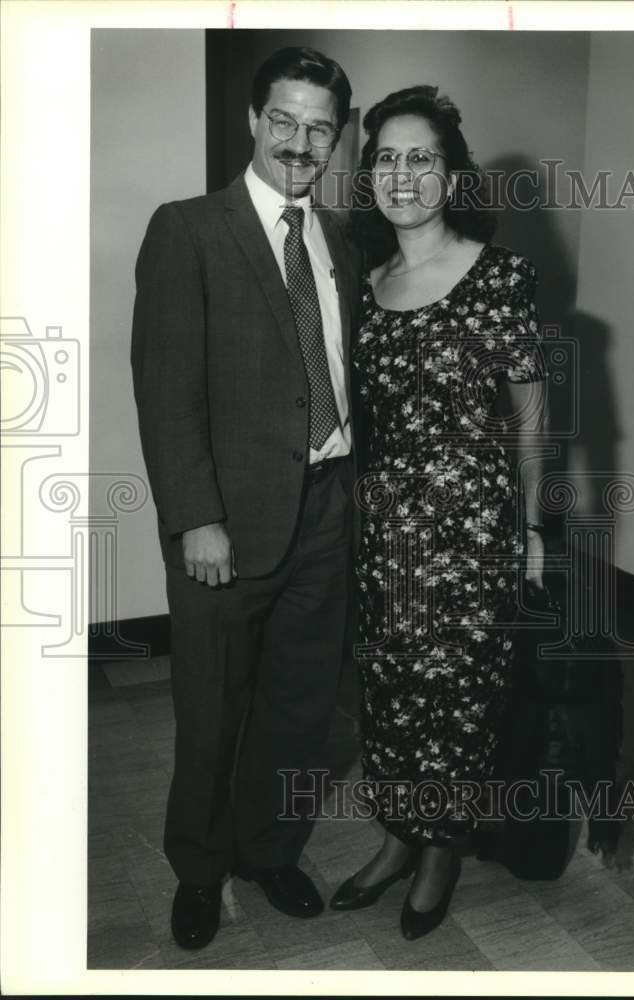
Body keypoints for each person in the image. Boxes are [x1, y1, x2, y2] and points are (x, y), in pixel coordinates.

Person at [131, 46, 360, 950]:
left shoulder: (341, 237)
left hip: (329, 505)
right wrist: (195, 516)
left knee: (300, 702)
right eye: (285, 121)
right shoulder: (188, 228)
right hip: (225, 520)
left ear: (336, 138)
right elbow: (166, 385)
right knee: (212, 703)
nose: (301, 143)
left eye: (320, 128)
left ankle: (270, 851)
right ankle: (197, 866)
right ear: (253, 121)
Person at [329, 86, 549, 939]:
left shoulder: (502, 277)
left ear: (452, 174)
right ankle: (395, 837)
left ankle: (440, 852)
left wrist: (531, 528)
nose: (403, 174)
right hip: (384, 538)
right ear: (370, 173)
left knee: (456, 701)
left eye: (422, 157)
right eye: (386, 157)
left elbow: (531, 417)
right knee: (387, 695)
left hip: (472, 535)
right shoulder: (367, 280)